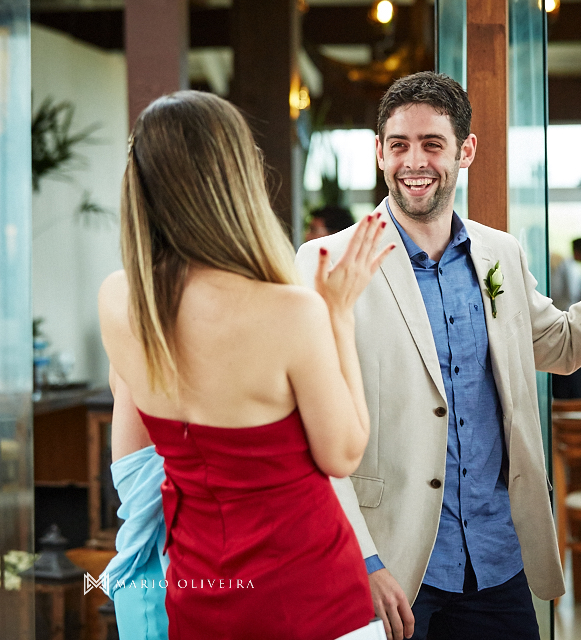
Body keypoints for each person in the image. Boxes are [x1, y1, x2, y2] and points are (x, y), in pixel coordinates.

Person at [295, 71, 581, 640]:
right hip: (390, 566)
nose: (413, 161)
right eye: (398, 145)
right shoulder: (325, 260)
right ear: (379, 152)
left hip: (497, 562)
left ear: (465, 150)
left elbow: (564, 344)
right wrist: (362, 559)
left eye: (432, 145)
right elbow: (307, 432)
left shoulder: (499, 253)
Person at [98, 91, 390, 640]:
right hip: (310, 596)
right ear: (235, 182)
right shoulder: (291, 311)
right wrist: (339, 316)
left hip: (199, 594)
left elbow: (134, 461)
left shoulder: (119, 301)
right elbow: (344, 452)